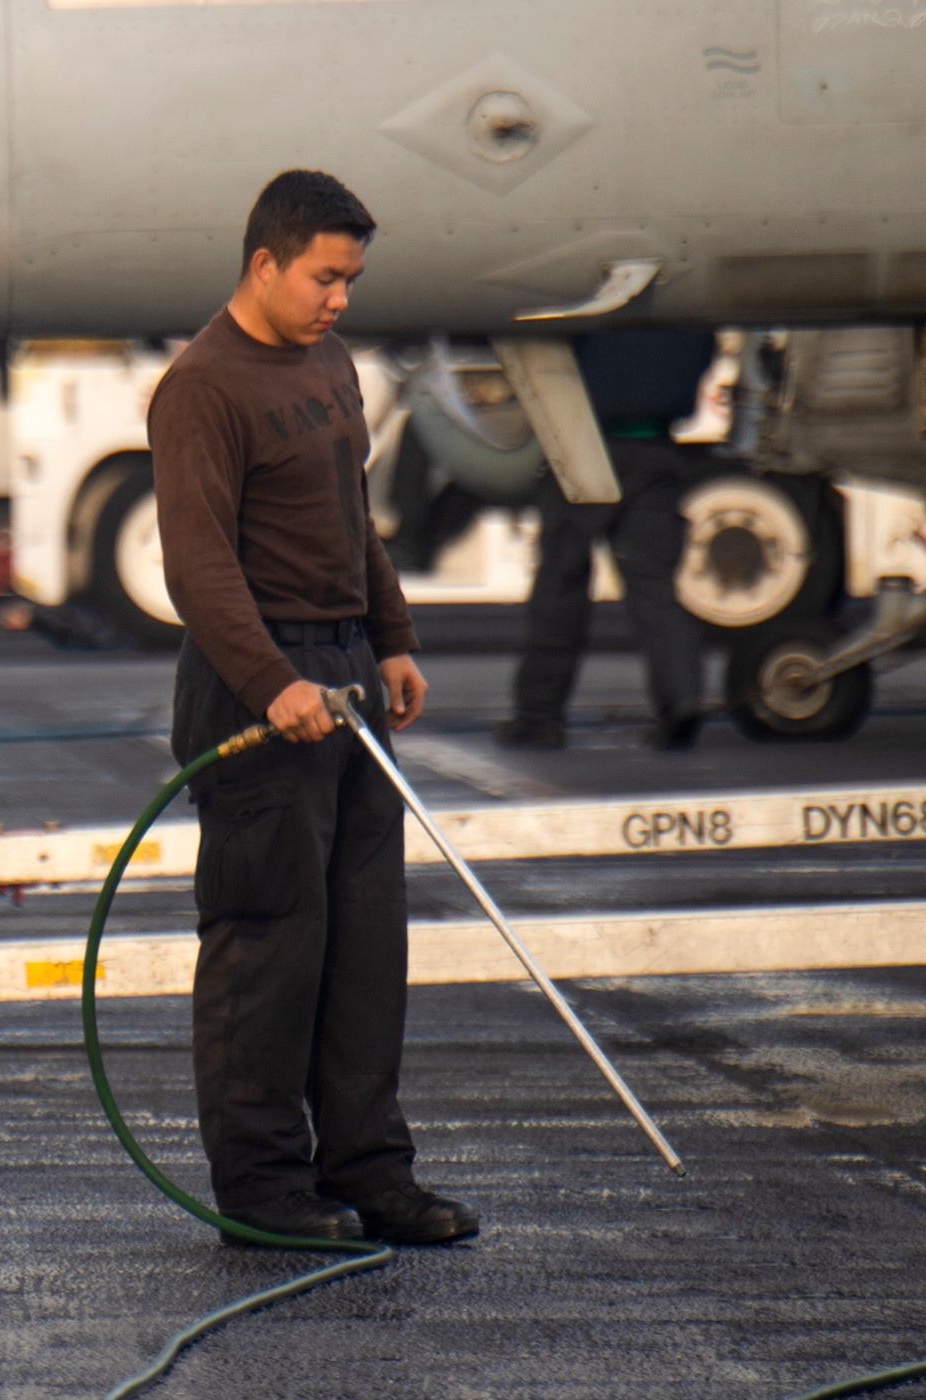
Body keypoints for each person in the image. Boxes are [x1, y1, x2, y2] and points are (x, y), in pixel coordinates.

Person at [148, 170, 478, 1246]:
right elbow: (197, 564)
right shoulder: (204, 386)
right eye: (325, 277)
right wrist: (272, 680)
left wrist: (392, 636)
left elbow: (354, 515)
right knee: (270, 941)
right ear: (265, 263)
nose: (340, 299)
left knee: (363, 940)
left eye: (351, 280)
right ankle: (265, 1189)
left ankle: (370, 1169)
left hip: (344, 671)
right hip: (263, 683)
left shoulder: (328, 363)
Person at [496, 331, 715, 753]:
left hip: (584, 443)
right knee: (654, 589)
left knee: (561, 585)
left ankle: (539, 717)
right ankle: (680, 700)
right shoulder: (680, 308)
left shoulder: (596, 289)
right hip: (656, 447)